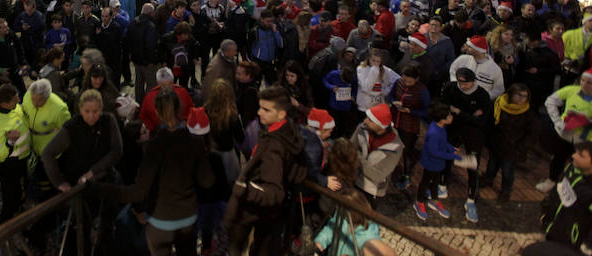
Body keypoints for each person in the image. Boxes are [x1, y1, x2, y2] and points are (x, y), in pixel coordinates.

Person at [101, 88, 214, 256]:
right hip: (187, 217)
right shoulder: (194, 142)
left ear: (158, 112)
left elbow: (139, 191)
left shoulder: (154, 146)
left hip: (161, 220)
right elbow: (207, 181)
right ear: (179, 109)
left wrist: (100, 188)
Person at [225, 86, 305, 256]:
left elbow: (274, 192)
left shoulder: (274, 147)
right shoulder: (287, 132)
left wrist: (245, 188)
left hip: (261, 211)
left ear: (281, 114)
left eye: (266, 110)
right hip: (272, 216)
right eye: (260, 107)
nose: (259, 112)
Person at [42, 89, 123, 255]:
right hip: (80, 188)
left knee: (107, 223)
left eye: (95, 111)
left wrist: (94, 171)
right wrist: (58, 182)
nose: (91, 116)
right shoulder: (72, 127)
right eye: (87, 111)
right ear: (80, 110)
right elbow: (47, 153)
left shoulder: (109, 120)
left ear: (101, 109)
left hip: (104, 180)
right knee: (81, 226)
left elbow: (117, 150)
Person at [536, 67, 592, 192]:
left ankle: (574, 187)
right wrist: (557, 121)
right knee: (558, 158)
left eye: (589, 82)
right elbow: (550, 101)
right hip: (564, 135)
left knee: (579, 165)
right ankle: (551, 181)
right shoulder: (572, 90)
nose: (584, 84)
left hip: (585, 141)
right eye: (582, 80)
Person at [540, 142, 592, 256]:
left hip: (573, 249)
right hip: (556, 236)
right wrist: (546, 214)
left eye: (581, 155)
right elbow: (558, 193)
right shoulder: (572, 170)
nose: (574, 156)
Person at [440, 67, 492, 223]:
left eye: (466, 83)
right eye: (460, 83)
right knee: (448, 157)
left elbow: (481, 121)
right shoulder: (451, 88)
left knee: (472, 166)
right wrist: (468, 115)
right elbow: (444, 106)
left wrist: (459, 113)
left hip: (473, 135)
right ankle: (442, 184)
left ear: (473, 81)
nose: (463, 87)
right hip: (453, 130)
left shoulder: (482, 95)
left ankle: (471, 199)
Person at [0, 83, 30, 222]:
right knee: (10, 195)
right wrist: (9, 142)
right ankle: (6, 221)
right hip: (9, 165)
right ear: (4, 104)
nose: (19, 101)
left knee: (19, 191)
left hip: (21, 160)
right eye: (15, 100)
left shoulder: (13, 108)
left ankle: (18, 207)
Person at [482, 83, 536, 202]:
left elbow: (532, 133)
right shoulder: (498, 104)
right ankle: (488, 180)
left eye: (524, 96)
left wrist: (521, 146)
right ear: (511, 94)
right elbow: (490, 122)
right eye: (519, 95)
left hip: (512, 148)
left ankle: (506, 191)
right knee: (492, 165)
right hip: (496, 143)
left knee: (507, 171)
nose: (521, 99)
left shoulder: (527, 113)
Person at [350, 102, 404, 210]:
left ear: (380, 126)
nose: (365, 121)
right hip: (352, 180)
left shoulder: (396, 147)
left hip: (371, 191)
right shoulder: (362, 128)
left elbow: (377, 175)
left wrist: (358, 157)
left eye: (370, 120)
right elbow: (350, 148)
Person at [413, 102, 461, 221]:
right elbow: (434, 151)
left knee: (435, 182)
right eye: (449, 116)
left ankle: (434, 200)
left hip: (438, 163)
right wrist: (451, 155)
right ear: (442, 119)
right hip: (431, 162)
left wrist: (451, 148)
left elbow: (443, 143)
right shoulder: (434, 132)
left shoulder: (440, 127)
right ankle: (419, 202)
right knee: (425, 182)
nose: (451, 117)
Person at [390, 64, 431, 191]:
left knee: (407, 152)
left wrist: (411, 111)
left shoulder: (422, 91)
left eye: (410, 81)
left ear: (416, 79)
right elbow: (391, 95)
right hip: (395, 121)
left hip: (409, 126)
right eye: (405, 80)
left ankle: (406, 175)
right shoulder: (398, 83)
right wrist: (393, 102)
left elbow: (427, 111)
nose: (407, 83)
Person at [314, 190, 382, 254]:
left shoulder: (369, 234)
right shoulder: (341, 215)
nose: (338, 211)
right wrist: (320, 241)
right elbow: (331, 229)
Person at [449, 35, 505, 101]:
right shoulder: (462, 59)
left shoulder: (495, 69)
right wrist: (457, 86)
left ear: (478, 50)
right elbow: (452, 71)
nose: (466, 48)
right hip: (459, 98)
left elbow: (499, 90)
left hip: (480, 103)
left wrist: (483, 97)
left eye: (469, 47)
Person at [139, 66, 194, 133]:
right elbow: (143, 116)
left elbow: (191, 109)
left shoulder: (182, 92)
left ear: (173, 81)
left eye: (170, 84)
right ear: (158, 83)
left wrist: (186, 121)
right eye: (164, 85)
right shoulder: (149, 97)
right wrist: (152, 129)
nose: (167, 87)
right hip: (158, 131)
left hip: (181, 129)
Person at [126, 2, 161, 104]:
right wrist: (152, 60)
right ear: (151, 13)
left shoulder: (133, 23)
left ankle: (138, 104)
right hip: (148, 62)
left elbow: (128, 41)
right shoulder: (150, 26)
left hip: (136, 60)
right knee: (151, 84)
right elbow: (151, 45)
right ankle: (148, 105)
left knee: (139, 83)